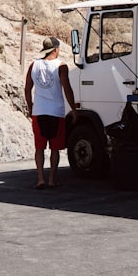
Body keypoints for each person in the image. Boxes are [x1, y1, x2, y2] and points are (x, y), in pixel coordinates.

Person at [24, 36, 79, 189]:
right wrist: (73, 109)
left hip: (39, 111)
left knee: (39, 148)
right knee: (55, 149)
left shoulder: (33, 65)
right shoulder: (61, 66)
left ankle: (40, 179)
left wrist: (30, 107)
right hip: (56, 112)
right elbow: (67, 89)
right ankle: (52, 180)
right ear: (56, 49)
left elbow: (27, 89)